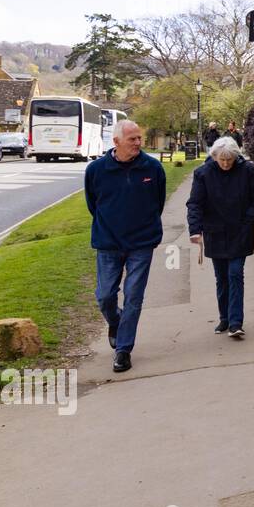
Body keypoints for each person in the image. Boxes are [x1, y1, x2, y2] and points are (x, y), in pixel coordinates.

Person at [84, 120, 166, 373]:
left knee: (133, 296)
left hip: (141, 243)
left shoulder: (152, 167)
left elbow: (158, 203)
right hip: (108, 243)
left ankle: (123, 349)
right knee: (105, 296)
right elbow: (92, 204)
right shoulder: (96, 170)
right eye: (132, 139)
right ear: (116, 141)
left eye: (139, 138)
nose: (138, 143)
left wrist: (144, 227)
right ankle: (115, 321)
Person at [186, 136, 254, 338]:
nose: (225, 163)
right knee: (221, 277)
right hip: (215, 231)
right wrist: (194, 229)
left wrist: (249, 219)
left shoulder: (248, 171)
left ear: (235, 157)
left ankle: (235, 322)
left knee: (235, 273)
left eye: (229, 160)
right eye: (221, 159)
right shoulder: (203, 174)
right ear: (214, 156)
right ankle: (224, 318)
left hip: (240, 230)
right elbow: (194, 203)